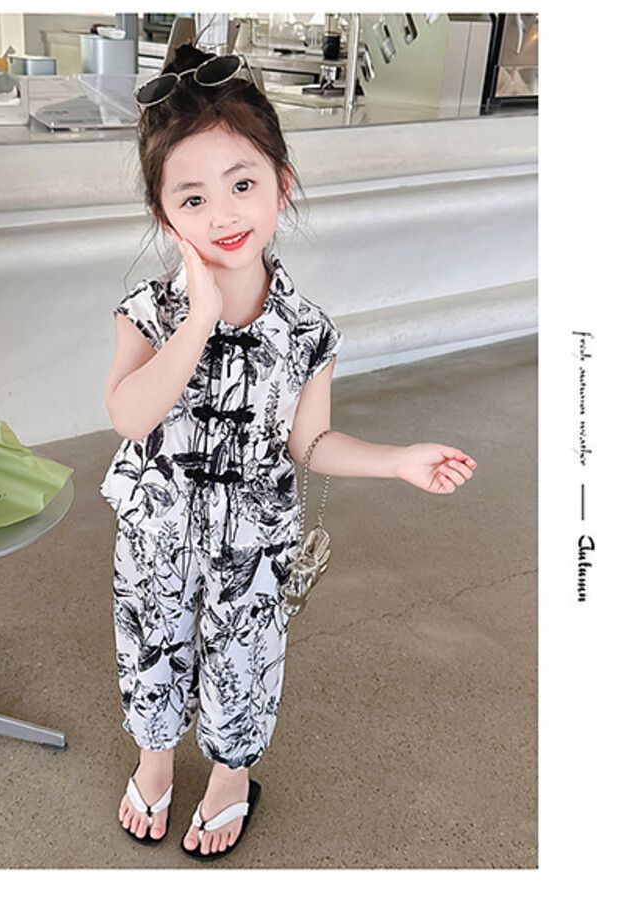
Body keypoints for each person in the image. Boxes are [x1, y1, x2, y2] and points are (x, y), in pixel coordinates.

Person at [100, 42, 477, 862]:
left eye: (243, 185)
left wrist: (397, 459)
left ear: (282, 184)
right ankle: (155, 760)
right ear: (166, 217)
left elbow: (310, 440)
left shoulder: (309, 330)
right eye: (193, 198)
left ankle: (230, 777)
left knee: (244, 660)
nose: (223, 214)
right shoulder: (148, 311)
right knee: (151, 648)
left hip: (254, 541)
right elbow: (130, 415)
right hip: (157, 535)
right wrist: (200, 318)